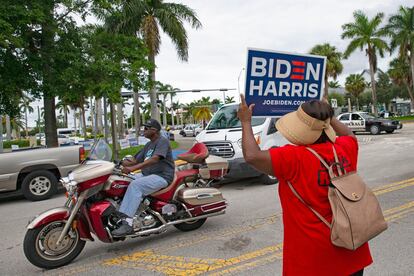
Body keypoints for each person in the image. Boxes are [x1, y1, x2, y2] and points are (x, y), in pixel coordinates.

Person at [237, 95, 372, 276]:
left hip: (313, 261)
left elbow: (252, 156)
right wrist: (328, 116)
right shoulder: (344, 148)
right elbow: (349, 134)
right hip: (352, 249)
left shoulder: (293, 158)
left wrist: (245, 121)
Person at [112, 119, 175, 237]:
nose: (143, 130)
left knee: (135, 186)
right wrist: (118, 163)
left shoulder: (162, 141)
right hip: (147, 175)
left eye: (146, 128)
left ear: (154, 130)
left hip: (162, 176)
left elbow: (155, 159)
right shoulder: (149, 144)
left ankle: (128, 223)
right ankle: (125, 212)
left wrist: (133, 168)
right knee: (124, 181)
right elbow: (134, 160)